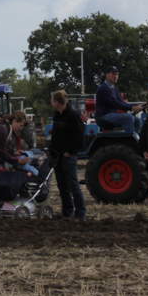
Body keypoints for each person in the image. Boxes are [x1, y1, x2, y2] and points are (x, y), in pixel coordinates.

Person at [48, 90, 87, 219]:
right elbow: (55, 135)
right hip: (57, 155)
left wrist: (70, 152)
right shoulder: (56, 115)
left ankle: (80, 213)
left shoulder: (73, 115)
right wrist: (51, 151)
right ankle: (67, 211)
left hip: (68, 156)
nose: (51, 103)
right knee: (62, 185)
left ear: (57, 102)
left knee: (73, 184)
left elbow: (79, 137)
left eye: (52, 100)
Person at [95, 67, 145, 132]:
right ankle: (130, 138)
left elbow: (122, 102)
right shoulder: (103, 88)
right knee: (128, 118)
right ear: (107, 75)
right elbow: (115, 103)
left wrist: (136, 106)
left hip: (112, 115)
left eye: (117, 74)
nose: (116, 76)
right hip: (103, 116)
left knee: (137, 120)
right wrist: (132, 108)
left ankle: (137, 138)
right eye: (113, 74)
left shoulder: (115, 88)